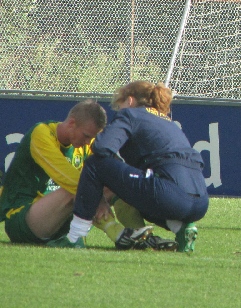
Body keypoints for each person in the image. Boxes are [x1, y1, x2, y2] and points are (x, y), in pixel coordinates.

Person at [49, 81, 209, 252]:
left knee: (95, 164)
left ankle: (74, 237)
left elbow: (102, 148)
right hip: (200, 202)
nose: (118, 110)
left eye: (120, 105)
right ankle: (181, 227)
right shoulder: (167, 122)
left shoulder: (130, 115)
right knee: (134, 194)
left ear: (130, 101)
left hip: (169, 194)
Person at [0, 100, 153, 249]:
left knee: (112, 180)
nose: (88, 142)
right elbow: (66, 177)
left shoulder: (83, 146)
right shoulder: (42, 133)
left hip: (59, 222)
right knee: (78, 187)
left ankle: (142, 239)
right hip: (23, 220)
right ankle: (117, 233)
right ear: (72, 123)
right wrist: (98, 199)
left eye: (91, 138)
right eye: (86, 136)